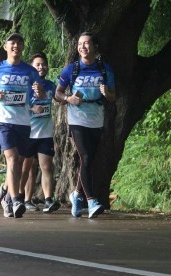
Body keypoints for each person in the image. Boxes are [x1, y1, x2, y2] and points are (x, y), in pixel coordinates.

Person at [0, 33, 44, 218]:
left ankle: (6, 196)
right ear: (5, 46)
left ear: (23, 47)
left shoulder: (30, 71)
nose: (15, 45)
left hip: (23, 122)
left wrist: (39, 92)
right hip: (3, 121)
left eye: (19, 42)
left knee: (20, 161)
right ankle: (16, 199)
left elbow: (39, 95)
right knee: (13, 159)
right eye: (12, 43)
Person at [55, 32, 116, 218]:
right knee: (86, 156)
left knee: (88, 161)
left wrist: (107, 93)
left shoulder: (105, 70)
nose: (83, 47)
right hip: (76, 118)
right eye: (80, 44)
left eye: (87, 43)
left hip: (96, 117)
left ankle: (76, 194)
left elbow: (113, 96)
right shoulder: (71, 70)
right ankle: (91, 201)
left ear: (95, 47)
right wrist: (68, 98)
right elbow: (57, 94)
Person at [19, 53, 60, 213]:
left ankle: (48, 200)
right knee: (26, 168)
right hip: (28, 133)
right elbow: (17, 104)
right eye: (37, 64)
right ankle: (19, 198)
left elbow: (59, 98)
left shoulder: (50, 85)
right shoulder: (26, 85)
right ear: (32, 68)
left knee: (47, 166)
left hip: (45, 133)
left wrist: (69, 98)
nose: (41, 67)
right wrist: (32, 107)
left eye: (43, 64)